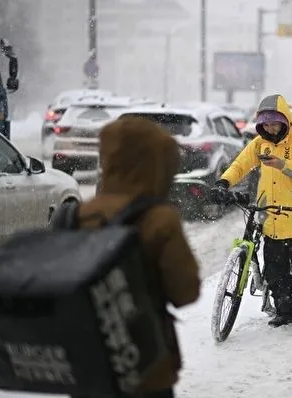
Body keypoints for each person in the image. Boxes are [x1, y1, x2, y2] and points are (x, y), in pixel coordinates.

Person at [77, 116, 201, 397]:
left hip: (90, 360)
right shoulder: (158, 218)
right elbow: (186, 292)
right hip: (145, 359)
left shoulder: (81, 213)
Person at [211, 94, 292, 332]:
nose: (270, 129)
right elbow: (241, 164)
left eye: (275, 123)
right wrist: (224, 182)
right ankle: (284, 312)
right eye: (266, 124)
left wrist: (281, 164)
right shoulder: (261, 143)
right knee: (275, 271)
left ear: (286, 120)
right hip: (272, 217)